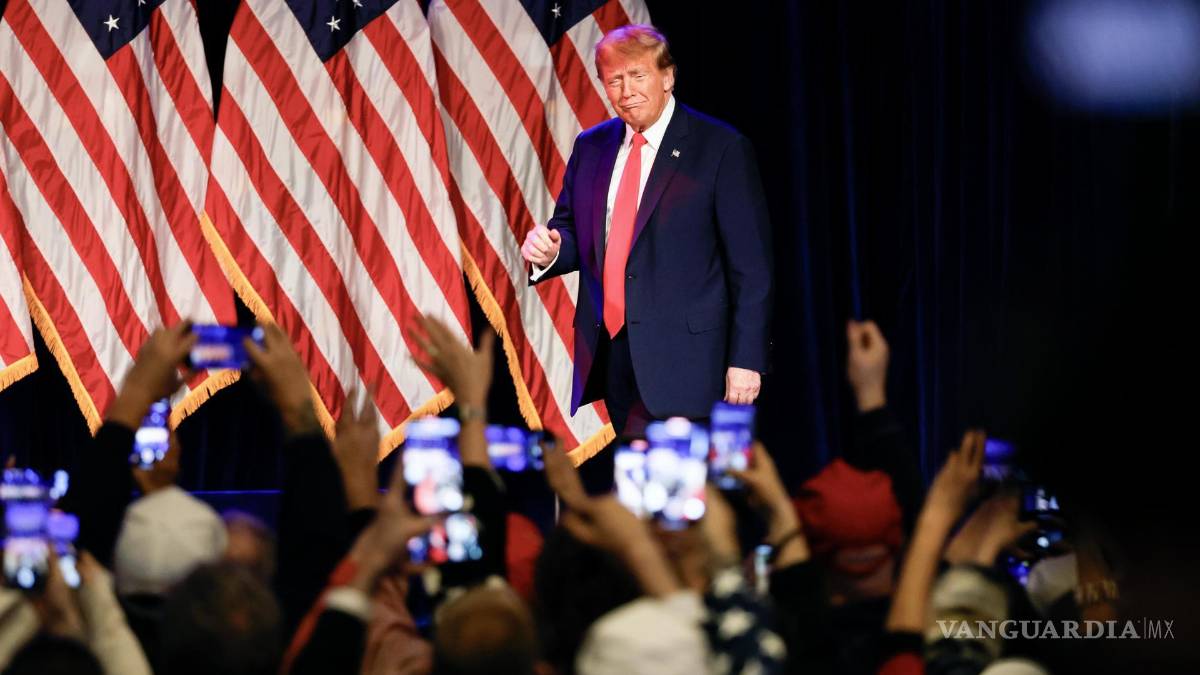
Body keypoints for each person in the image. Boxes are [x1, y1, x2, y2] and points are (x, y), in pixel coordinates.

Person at [521, 24, 773, 490]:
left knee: (692, 504)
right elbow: (574, 229)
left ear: (668, 76)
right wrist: (552, 250)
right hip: (618, 358)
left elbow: (751, 269)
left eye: (638, 76)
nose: (626, 91)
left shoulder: (719, 149)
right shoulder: (592, 147)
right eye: (614, 80)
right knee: (641, 502)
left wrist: (747, 359)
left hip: (694, 366)